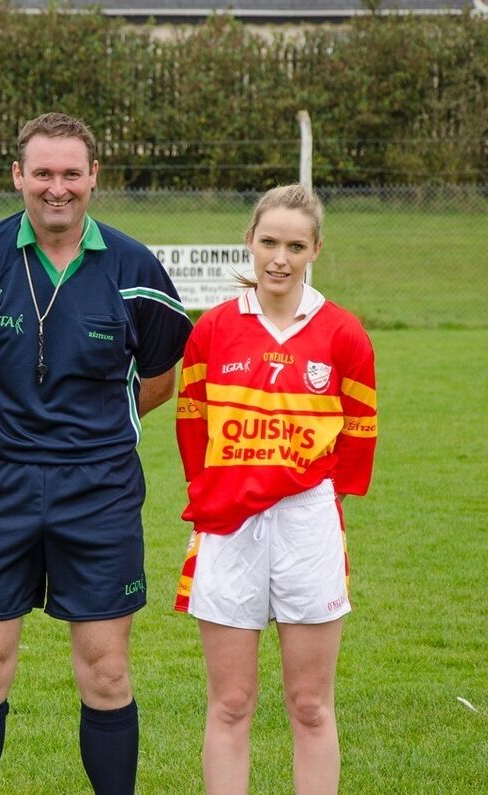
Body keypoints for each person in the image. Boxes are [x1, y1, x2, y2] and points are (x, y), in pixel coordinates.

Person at [0, 112, 192, 795]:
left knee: (106, 672)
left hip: (99, 488)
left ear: (94, 176)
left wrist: (101, 431)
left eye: (71, 173)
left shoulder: (134, 267)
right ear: (18, 176)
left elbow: (161, 374)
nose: (56, 188)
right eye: (43, 173)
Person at [173, 184, 378, 795]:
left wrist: (303, 490)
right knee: (231, 701)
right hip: (228, 523)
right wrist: (227, 487)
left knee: (310, 704)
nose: (279, 258)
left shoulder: (343, 333)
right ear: (249, 242)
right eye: (268, 242)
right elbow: (191, 427)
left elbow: (359, 438)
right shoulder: (212, 329)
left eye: (295, 245)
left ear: (315, 249)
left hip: (306, 524)